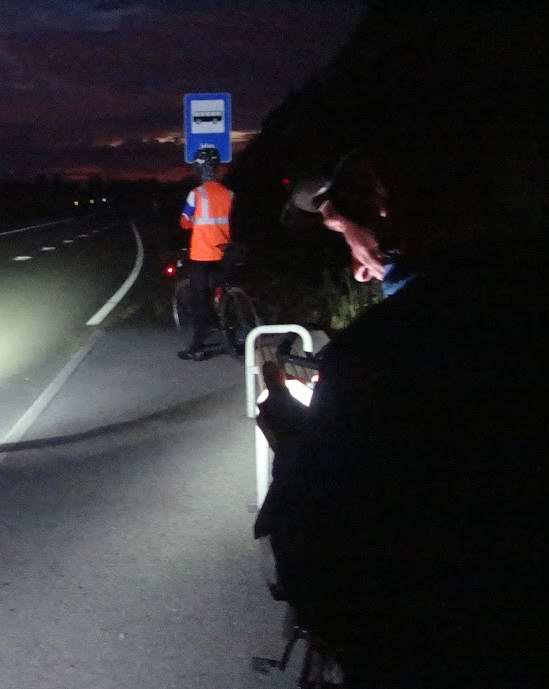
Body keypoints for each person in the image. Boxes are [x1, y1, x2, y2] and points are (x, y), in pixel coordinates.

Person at [255, 144, 542, 688]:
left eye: (346, 235)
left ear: (386, 214)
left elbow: (317, 552)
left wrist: (293, 440)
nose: (354, 262)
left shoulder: (382, 352)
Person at [177, 146, 234, 361]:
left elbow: (184, 222)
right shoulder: (229, 194)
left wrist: (196, 224)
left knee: (199, 299)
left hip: (202, 254)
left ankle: (197, 347)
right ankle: (228, 313)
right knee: (221, 286)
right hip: (225, 252)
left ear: (200, 170)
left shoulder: (196, 194)